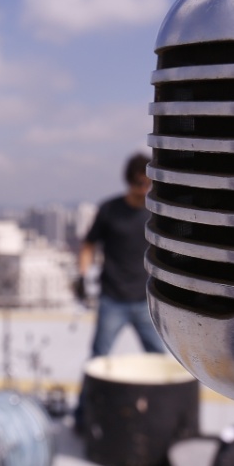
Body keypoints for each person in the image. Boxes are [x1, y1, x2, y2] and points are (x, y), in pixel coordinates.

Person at [79, 153, 165, 358]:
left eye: (148, 182)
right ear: (129, 180)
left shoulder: (156, 213)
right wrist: (82, 277)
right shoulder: (109, 209)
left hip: (146, 299)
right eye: (140, 181)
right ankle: (91, 392)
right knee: (99, 357)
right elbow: (88, 245)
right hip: (112, 298)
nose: (145, 187)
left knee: (158, 358)